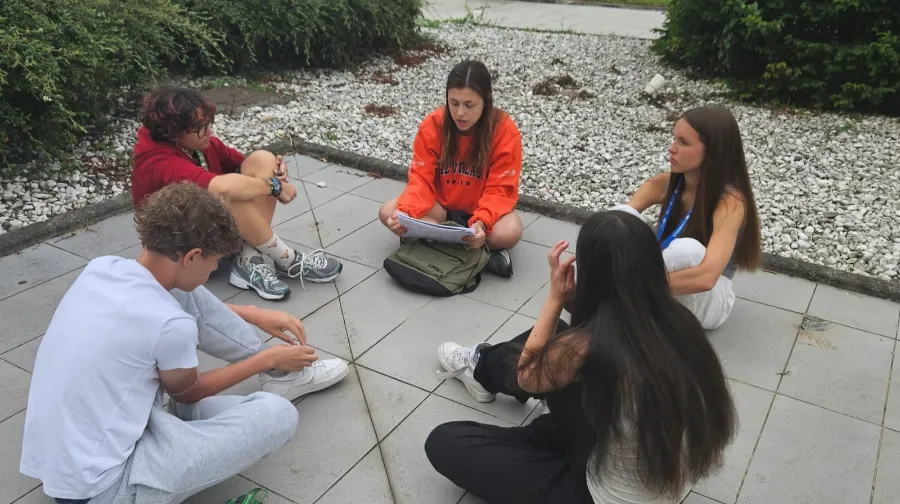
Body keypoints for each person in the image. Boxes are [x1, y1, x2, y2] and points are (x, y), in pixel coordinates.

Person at [20, 183, 350, 504]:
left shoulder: (103, 268)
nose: (214, 269)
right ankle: (274, 371)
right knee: (278, 415)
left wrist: (252, 312)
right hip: (104, 488)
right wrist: (268, 360)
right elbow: (186, 391)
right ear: (192, 256)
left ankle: (276, 377)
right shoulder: (171, 325)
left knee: (180, 292)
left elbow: (158, 313)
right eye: (214, 261)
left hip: (64, 466)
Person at [426, 210, 737, 504]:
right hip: (651, 474)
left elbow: (526, 376)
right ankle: (484, 369)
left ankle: (482, 369)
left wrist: (555, 298)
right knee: (558, 341)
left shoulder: (585, 345)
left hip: (601, 496)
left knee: (446, 441)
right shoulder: (678, 322)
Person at [132, 85, 343, 301]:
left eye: (208, 124)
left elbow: (245, 167)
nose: (210, 132)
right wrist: (275, 187)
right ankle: (288, 260)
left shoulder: (197, 144)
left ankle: (249, 261)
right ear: (174, 134)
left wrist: (275, 171)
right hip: (182, 250)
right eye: (201, 128)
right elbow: (221, 187)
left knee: (262, 159)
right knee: (227, 192)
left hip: (208, 228)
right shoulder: (158, 162)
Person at [613, 106, 762, 330]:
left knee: (688, 250)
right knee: (619, 218)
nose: (672, 148)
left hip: (711, 299)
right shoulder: (664, 184)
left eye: (683, 142)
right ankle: (609, 298)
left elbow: (706, 278)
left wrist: (637, 284)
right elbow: (615, 225)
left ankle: (618, 301)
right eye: (674, 139)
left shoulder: (730, 203)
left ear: (712, 152)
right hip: (665, 286)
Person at [379, 59, 524, 277]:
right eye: (453, 103)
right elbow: (421, 180)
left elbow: (500, 190)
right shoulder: (433, 124)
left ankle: (432, 243)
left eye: (469, 105)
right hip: (441, 208)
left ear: (485, 102)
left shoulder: (504, 131)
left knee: (510, 231)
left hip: (480, 212)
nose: (460, 113)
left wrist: (482, 223)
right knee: (389, 212)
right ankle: (479, 254)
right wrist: (406, 212)